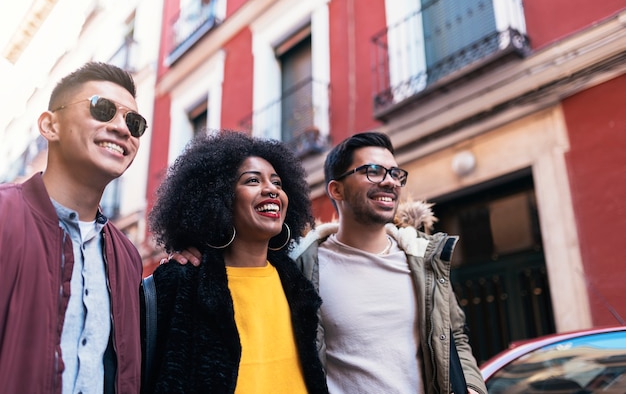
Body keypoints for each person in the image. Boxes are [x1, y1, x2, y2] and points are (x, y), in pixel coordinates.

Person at [289, 132, 487, 394]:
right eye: (373, 171)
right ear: (337, 189)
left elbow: (455, 336)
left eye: (395, 173)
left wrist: (472, 387)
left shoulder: (423, 259)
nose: (389, 182)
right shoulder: (303, 269)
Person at [0, 62, 149, 393]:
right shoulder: (4, 216)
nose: (123, 129)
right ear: (50, 125)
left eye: (134, 123)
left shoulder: (127, 257)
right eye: (102, 109)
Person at [142, 130, 328, 394]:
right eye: (252, 180)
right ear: (219, 199)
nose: (272, 190)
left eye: (277, 183)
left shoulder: (297, 281)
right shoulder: (183, 282)